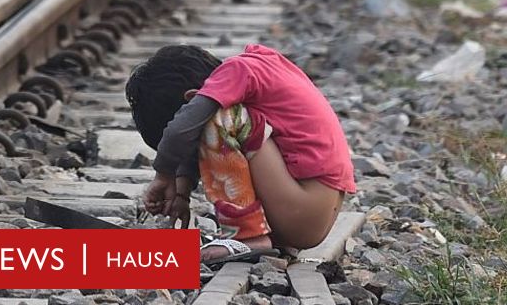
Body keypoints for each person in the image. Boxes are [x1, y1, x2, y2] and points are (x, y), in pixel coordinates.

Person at [124, 43, 356, 263]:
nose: (198, 159)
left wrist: (163, 175)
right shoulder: (255, 71)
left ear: (192, 98)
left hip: (301, 211)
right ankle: (263, 235)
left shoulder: (236, 73)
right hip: (309, 210)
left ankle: (248, 236)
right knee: (218, 119)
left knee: (221, 119)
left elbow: (182, 129)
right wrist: (181, 191)